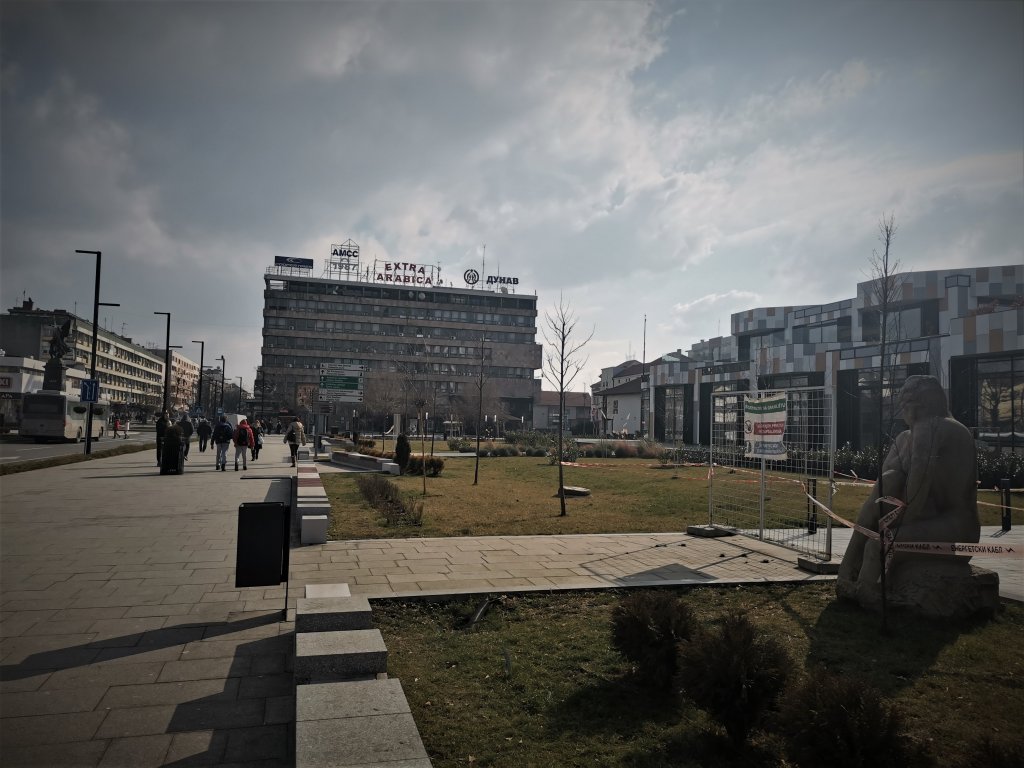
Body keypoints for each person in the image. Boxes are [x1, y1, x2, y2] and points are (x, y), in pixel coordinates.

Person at [837, 375, 980, 600]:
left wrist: (890, 529)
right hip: (930, 520)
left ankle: (863, 592)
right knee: (891, 480)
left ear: (916, 406)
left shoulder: (933, 426)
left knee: (878, 546)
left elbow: (917, 491)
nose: (902, 413)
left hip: (957, 532)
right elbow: (886, 487)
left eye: (904, 405)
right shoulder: (906, 438)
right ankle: (848, 577)